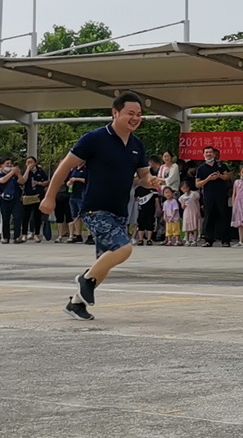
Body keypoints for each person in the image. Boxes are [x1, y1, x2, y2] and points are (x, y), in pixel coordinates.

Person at [42, 92, 157, 321]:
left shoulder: (136, 144)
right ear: (115, 113)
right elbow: (65, 166)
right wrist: (49, 197)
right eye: (130, 113)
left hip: (119, 210)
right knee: (124, 249)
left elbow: (143, 177)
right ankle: (84, 280)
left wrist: (150, 181)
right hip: (95, 208)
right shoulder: (94, 138)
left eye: (139, 114)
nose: (135, 118)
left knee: (103, 265)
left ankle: (76, 304)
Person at [195, 147, 233, 248]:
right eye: (206, 152)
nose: (209, 154)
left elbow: (228, 177)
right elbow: (197, 184)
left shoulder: (221, 165)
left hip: (221, 195)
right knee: (209, 217)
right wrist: (208, 179)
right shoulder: (201, 168)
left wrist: (220, 176)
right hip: (208, 196)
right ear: (203, 154)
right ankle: (208, 240)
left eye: (210, 152)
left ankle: (225, 240)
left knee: (223, 216)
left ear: (214, 154)